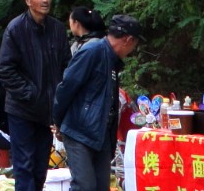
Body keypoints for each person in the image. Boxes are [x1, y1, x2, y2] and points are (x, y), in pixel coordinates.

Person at [53, 15, 142, 191]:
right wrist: (58, 121)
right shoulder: (93, 50)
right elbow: (66, 87)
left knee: (102, 187)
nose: (133, 49)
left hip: (101, 133)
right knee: (84, 186)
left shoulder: (113, 59)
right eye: (135, 43)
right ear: (128, 40)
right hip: (79, 129)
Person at [0, 0, 67, 191]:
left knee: (40, 167)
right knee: (24, 165)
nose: (45, 0)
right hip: (22, 109)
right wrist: (30, 93)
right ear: (28, 1)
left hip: (47, 110)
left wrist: (59, 99)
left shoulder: (57, 29)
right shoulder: (16, 29)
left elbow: (66, 67)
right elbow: (5, 70)